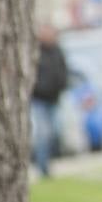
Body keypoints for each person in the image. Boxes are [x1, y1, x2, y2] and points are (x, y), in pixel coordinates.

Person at [31, 24, 69, 177]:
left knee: (54, 132)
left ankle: (47, 162)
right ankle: (42, 167)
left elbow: (63, 71)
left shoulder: (57, 51)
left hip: (54, 98)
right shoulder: (37, 52)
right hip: (40, 99)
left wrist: (62, 85)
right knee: (43, 133)